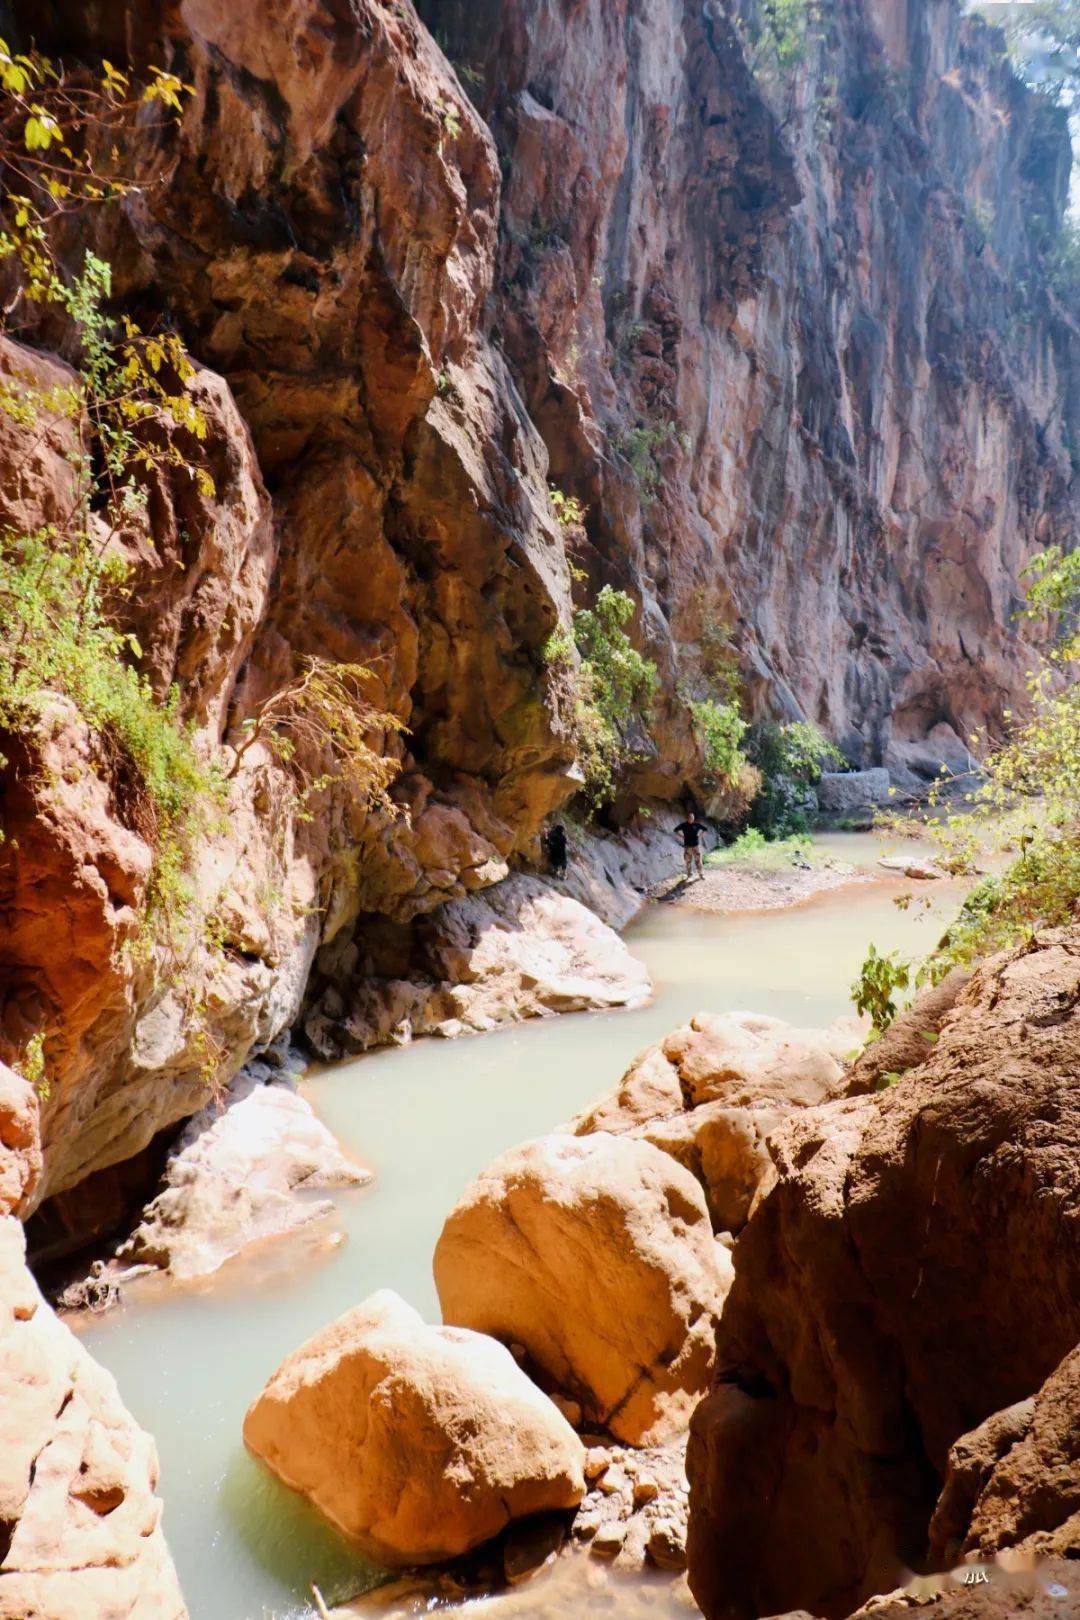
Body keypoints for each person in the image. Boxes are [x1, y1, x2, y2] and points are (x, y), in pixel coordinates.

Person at [674, 809, 706, 879]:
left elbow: (705, 829)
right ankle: (689, 875)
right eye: (690, 817)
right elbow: (675, 830)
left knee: (698, 860)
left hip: (695, 846)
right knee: (688, 861)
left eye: (692, 817)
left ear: (693, 818)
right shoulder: (683, 825)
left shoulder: (697, 825)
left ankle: (701, 874)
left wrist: (700, 836)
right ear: (687, 818)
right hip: (687, 846)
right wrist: (682, 836)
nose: (691, 819)